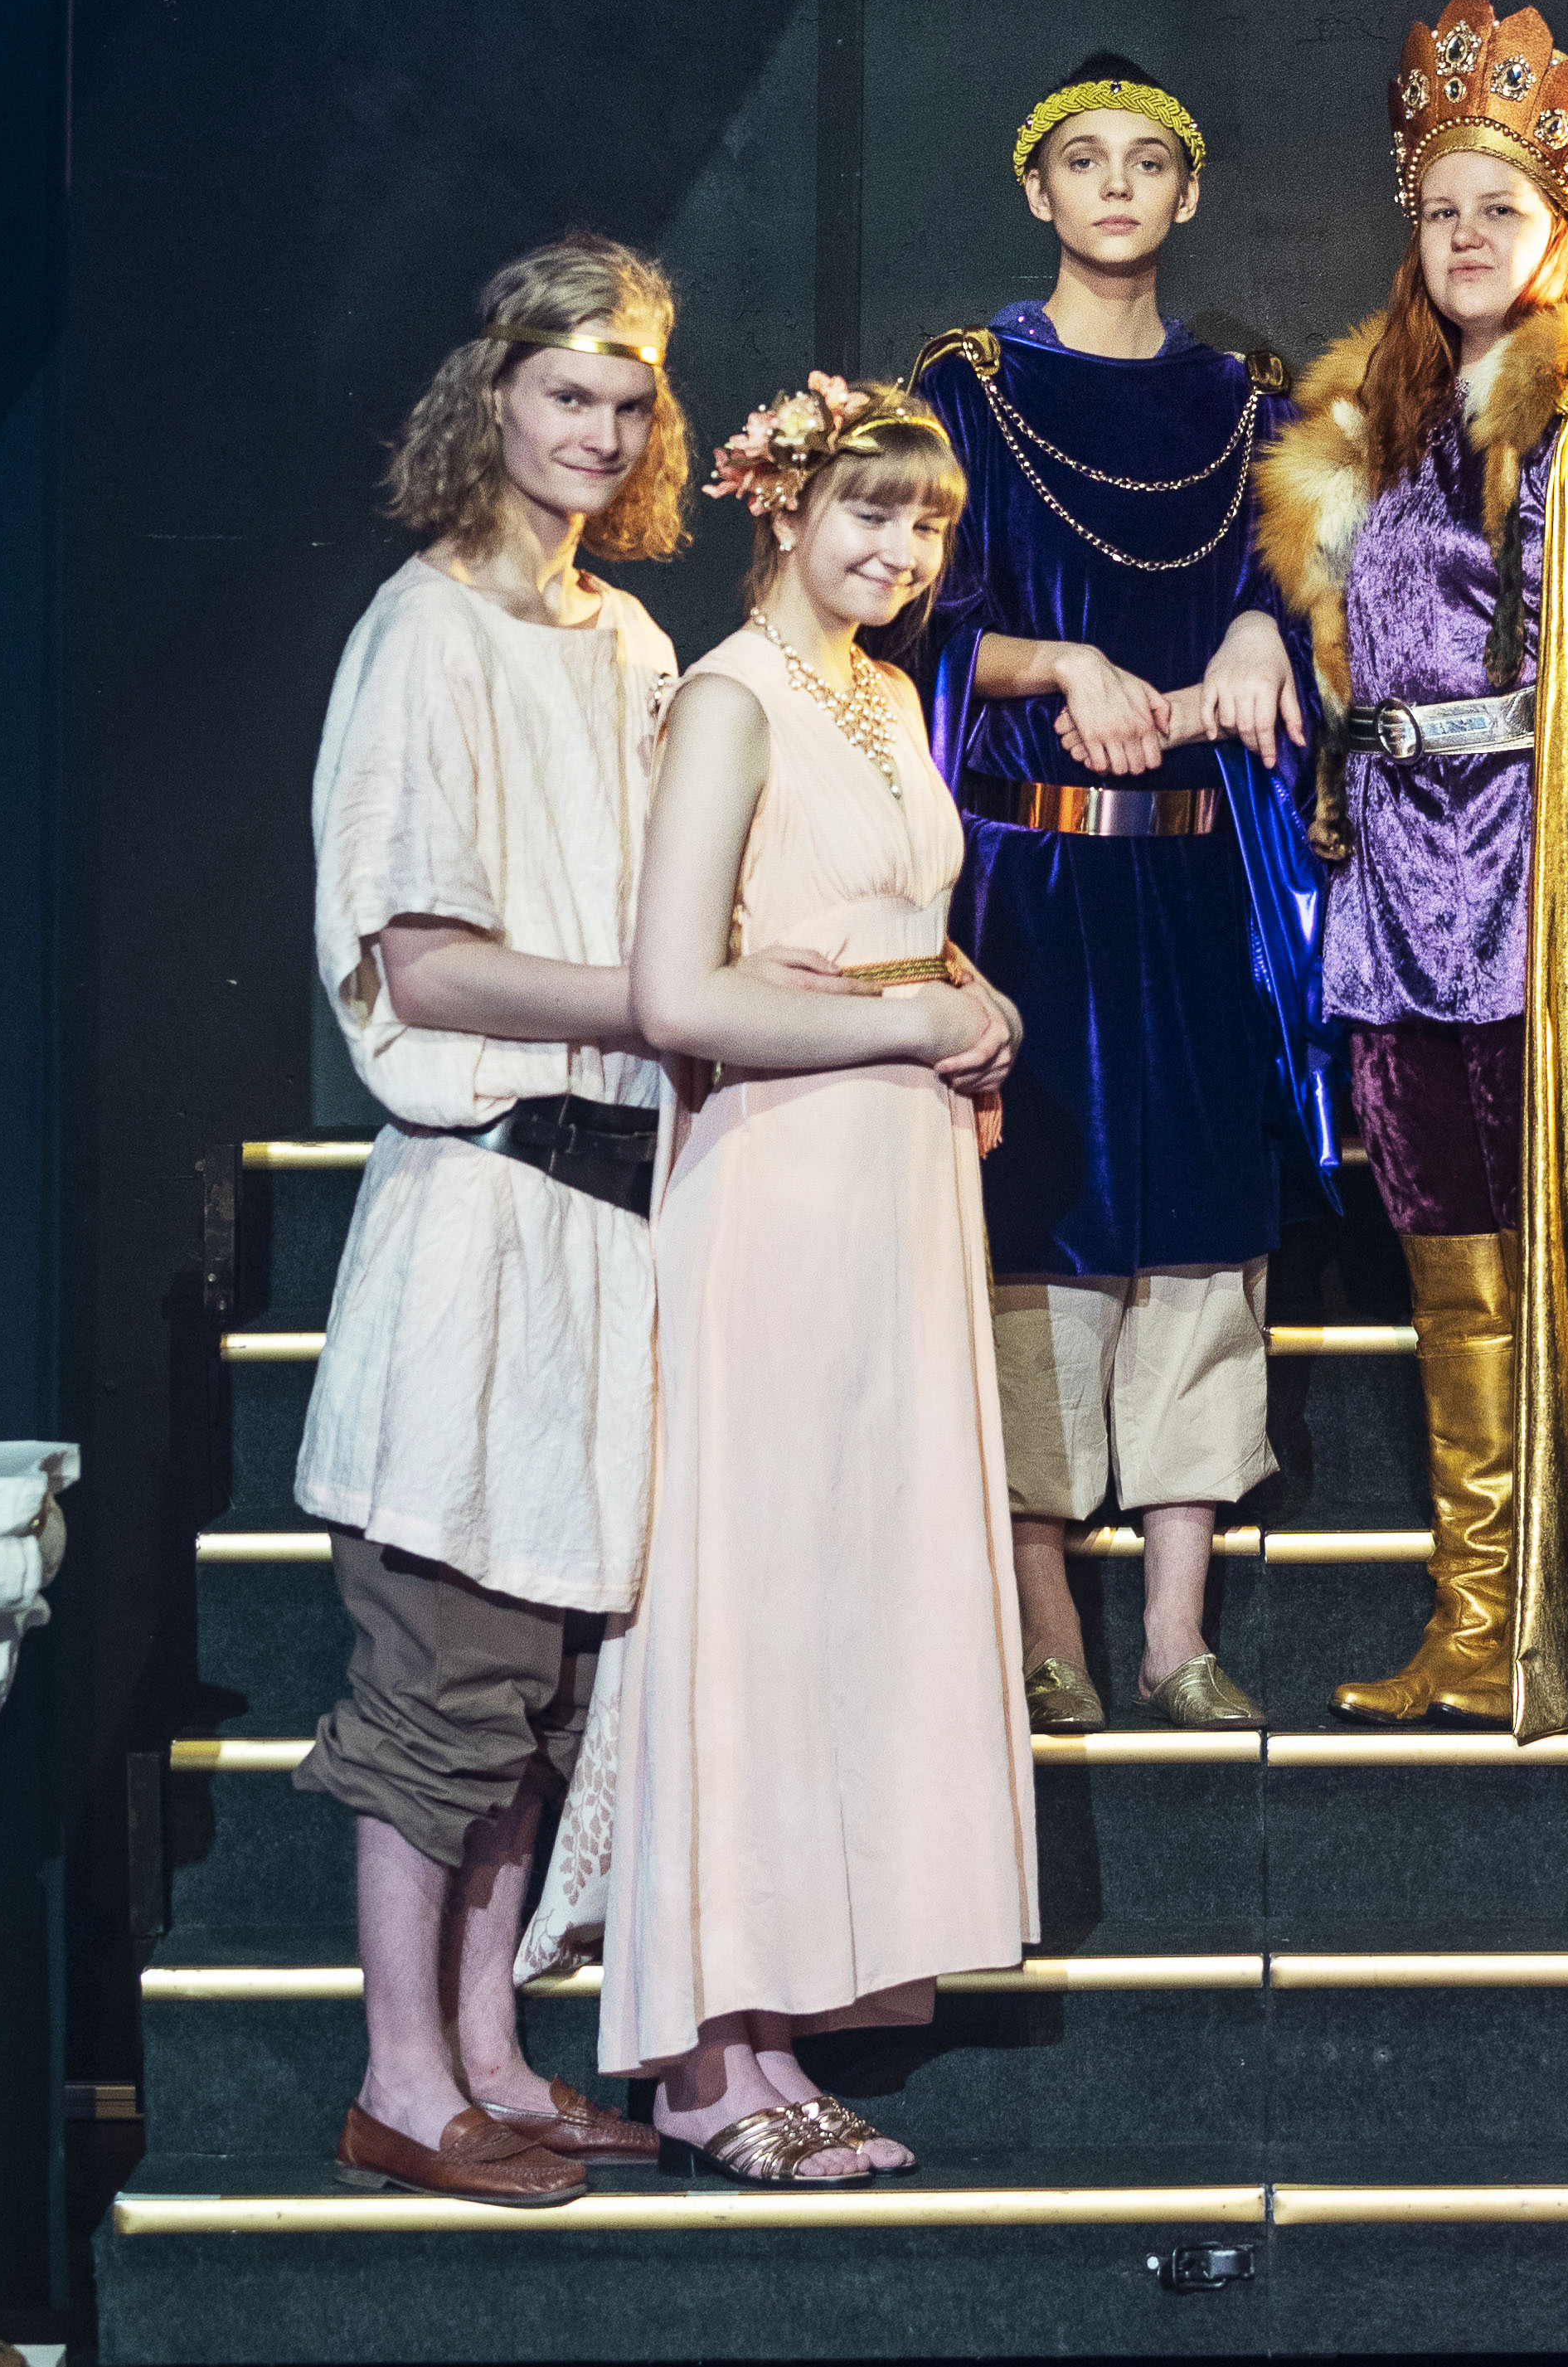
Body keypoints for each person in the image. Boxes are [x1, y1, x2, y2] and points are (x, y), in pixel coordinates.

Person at [1252, 0, 1568, 1733]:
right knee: (1447, 1262)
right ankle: (1475, 1620)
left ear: (1559, 233)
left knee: (1560, 1250)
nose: (1466, 235)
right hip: (1401, 897)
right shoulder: (1384, 433)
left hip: (1535, 903)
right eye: (1440, 209)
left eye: (1502, 208)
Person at [596, 372, 1036, 2188]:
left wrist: (971, 999)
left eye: (926, 524)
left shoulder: (884, 693)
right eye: (868, 509)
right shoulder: (729, 698)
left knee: (853, 1590)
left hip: (895, 1193)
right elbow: (674, 995)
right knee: (761, 1600)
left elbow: (878, 928)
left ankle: (794, 2009)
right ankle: (710, 2058)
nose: (899, 548)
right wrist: (912, 1024)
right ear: (779, 507)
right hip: (777, 1189)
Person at [298, 237, 692, 2210]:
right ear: (495, 399)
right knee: (444, 1684)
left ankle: (489, 2056)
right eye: (565, 397)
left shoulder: (629, 646)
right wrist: (665, 998)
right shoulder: (424, 630)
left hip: (612, 1228)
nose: (597, 434)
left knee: (544, 1698)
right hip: (479, 1217)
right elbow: (427, 965)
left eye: (627, 404)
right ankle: (397, 2080)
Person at [907, 51, 1340, 1734]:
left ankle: (1175, 1635)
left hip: (1193, 878)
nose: (1112, 187)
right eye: (1080, 160)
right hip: (1032, 873)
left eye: (1144, 162)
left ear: (1186, 192)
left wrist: (1260, 634)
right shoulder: (969, 386)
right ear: (1037, 190)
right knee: (1038, 1240)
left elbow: (1302, 590)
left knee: (1200, 1247)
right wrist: (1058, 663)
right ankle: (1046, 1631)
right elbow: (914, 617)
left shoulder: (1248, 403)